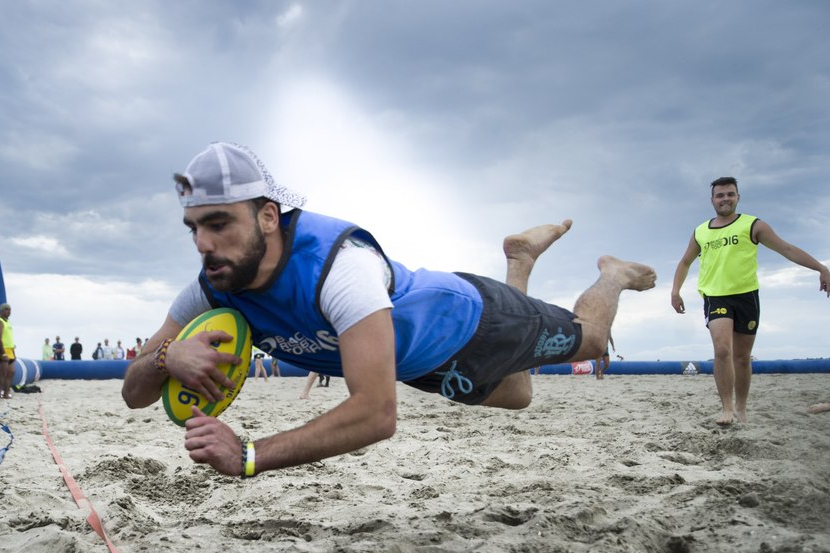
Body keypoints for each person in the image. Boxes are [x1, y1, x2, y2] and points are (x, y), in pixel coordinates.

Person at [122, 142, 656, 478]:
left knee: (587, 338)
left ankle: (612, 275)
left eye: (219, 224)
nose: (204, 245)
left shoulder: (339, 268)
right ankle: (521, 260)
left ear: (267, 217)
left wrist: (250, 455)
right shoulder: (214, 284)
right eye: (195, 228)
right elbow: (133, 392)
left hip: (474, 321)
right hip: (422, 364)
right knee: (519, 394)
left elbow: (377, 413)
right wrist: (167, 356)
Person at [671, 176, 830, 425]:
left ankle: (741, 409)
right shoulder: (701, 231)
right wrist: (675, 291)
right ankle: (726, 408)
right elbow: (685, 262)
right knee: (722, 349)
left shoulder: (753, 225)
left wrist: (821, 268)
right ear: (712, 199)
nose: (725, 199)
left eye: (730, 194)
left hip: (746, 297)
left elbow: (786, 249)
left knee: (742, 357)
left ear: (738, 197)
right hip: (716, 295)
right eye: (720, 195)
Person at [0, 304, 16, 399]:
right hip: (2, 350)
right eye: (6, 309)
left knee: (11, 372)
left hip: (10, 350)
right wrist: (2, 353)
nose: (8, 311)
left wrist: (13, 352)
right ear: (1, 311)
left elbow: (9, 338)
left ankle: (6, 394)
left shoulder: (7, 322)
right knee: (2, 373)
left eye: (10, 310)